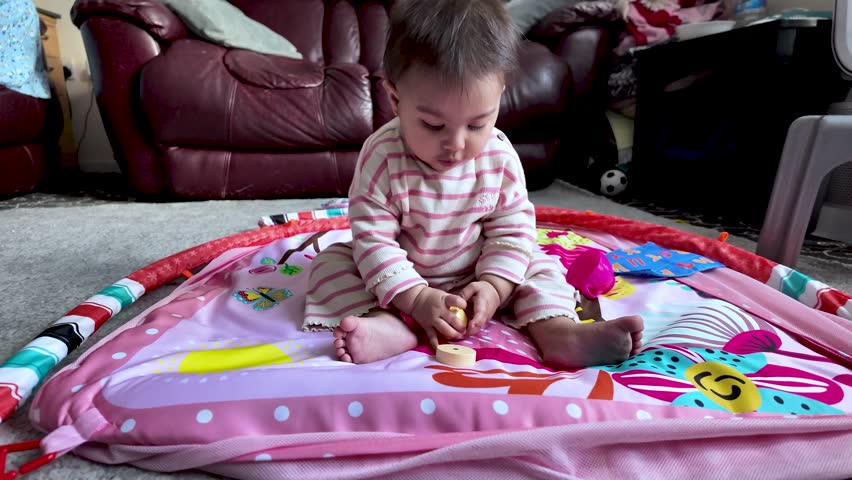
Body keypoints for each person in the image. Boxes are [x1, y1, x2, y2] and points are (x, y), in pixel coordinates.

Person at [303, 0, 643, 368]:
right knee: (332, 263)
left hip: (479, 270)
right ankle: (394, 325)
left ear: (499, 97)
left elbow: (512, 229)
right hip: (403, 275)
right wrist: (416, 298)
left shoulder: (498, 156)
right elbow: (374, 239)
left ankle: (557, 331)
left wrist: (495, 287)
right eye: (434, 126)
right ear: (396, 99)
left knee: (539, 264)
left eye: (478, 124)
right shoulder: (381, 156)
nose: (457, 144)